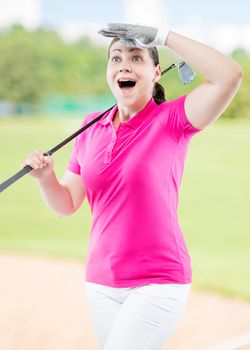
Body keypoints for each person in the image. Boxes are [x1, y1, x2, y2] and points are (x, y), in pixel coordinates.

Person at [24, 24, 243, 350]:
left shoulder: (172, 120)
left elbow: (229, 75)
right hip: (101, 282)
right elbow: (67, 203)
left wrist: (162, 36)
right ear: (108, 71)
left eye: (136, 57)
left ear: (156, 72)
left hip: (157, 281)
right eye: (116, 58)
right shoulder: (89, 125)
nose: (124, 65)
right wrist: (46, 180)